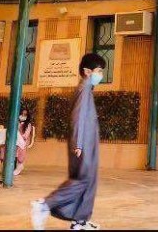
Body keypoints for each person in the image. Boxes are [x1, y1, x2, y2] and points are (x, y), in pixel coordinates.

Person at [31, 53, 105, 231]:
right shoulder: (83, 89)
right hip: (83, 144)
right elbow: (78, 117)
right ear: (87, 71)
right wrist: (78, 143)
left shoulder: (87, 89)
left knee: (88, 181)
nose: (101, 75)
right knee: (82, 180)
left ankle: (80, 222)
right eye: (98, 71)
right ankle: (44, 205)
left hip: (88, 143)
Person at [0, 107, 34, 176]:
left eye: (25, 115)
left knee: (20, 147)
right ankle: (5, 164)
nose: (23, 116)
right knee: (4, 146)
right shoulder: (14, 122)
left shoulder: (28, 125)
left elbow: (25, 136)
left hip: (22, 141)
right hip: (13, 140)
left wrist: (18, 137)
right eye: (21, 114)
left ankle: (20, 165)